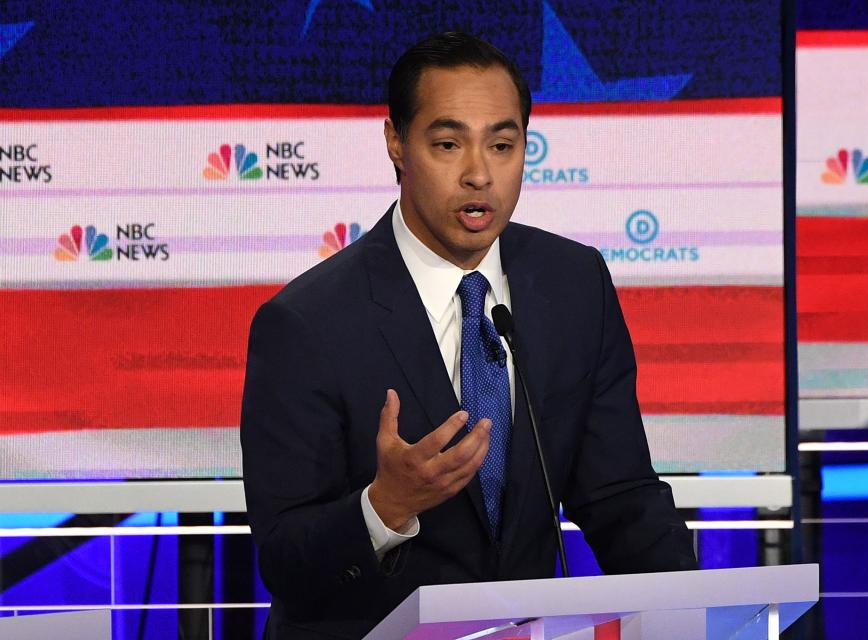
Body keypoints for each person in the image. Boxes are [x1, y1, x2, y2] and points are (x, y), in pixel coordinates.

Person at [241, 31, 696, 640]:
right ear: (397, 144)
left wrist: (694, 612)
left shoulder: (573, 284)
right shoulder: (306, 324)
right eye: (449, 144)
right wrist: (385, 507)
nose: (479, 174)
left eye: (502, 145)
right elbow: (284, 561)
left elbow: (621, 497)